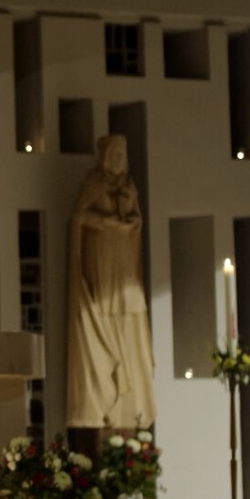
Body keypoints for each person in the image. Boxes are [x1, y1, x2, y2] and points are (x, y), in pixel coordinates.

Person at [65, 135, 156, 429]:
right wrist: (105, 223)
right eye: (113, 154)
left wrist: (131, 223)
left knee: (129, 326)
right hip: (101, 267)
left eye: (122, 154)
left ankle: (130, 403)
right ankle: (104, 398)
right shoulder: (94, 183)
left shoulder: (129, 186)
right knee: (104, 316)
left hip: (126, 268)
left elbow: (137, 218)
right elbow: (78, 217)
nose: (117, 160)